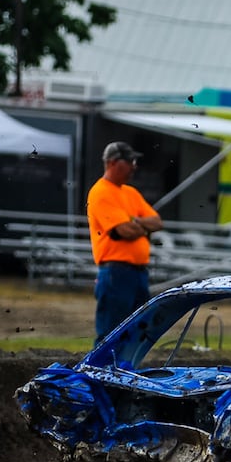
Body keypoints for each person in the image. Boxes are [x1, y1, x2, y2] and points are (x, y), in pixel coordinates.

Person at [86, 141, 164, 342]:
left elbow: (157, 222)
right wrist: (139, 226)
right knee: (112, 332)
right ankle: (102, 372)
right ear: (112, 163)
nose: (134, 166)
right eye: (129, 161)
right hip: (116, 272)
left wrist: (134, 221)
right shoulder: (101, 192)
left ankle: (125, 370)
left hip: (137, 273)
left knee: (138, 330)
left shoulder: (130, 193)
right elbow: (125, 231)